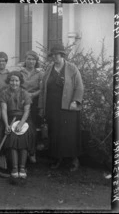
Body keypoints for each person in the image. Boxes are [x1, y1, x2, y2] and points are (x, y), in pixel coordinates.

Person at [38, 44, 84, 172]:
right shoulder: (49, 69)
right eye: (52, 55)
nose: (54, 57)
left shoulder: (72, 68)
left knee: (69, 134)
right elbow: (42, 89)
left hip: (68, 107)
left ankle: (74, 159)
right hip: (52, 107)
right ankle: (57, 158)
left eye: (56, 54)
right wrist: (41, 107)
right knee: (54, 133)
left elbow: (79, 86)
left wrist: (76, 101)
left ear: (62, 55)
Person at [0, 71, 35, 179]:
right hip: (9, 118)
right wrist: (6, 125)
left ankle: (22, 167)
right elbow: (4, 110)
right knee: (12, 136)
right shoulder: (4, 93)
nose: (14, 83)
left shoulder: (25, 93)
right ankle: (14, 168)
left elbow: (27, 111)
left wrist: (21, 123)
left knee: (23, 136)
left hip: (24, 119)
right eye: (12, 80)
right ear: (8, 81)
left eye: (16, 80)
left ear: (20, 82)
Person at [20, 50, 44, 163]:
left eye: (33, 59)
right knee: (24, 127)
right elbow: (16, 86)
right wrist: (25, 95)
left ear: (36, 61)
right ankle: (23, 151)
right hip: (22, 102)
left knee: (33, 128)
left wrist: (32, 95)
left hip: (35, 102)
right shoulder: (20, 72)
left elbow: (42, 89)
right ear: (25, 60)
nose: (31, 61)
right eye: (29, 59)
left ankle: (32, 152)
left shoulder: (40, 74)